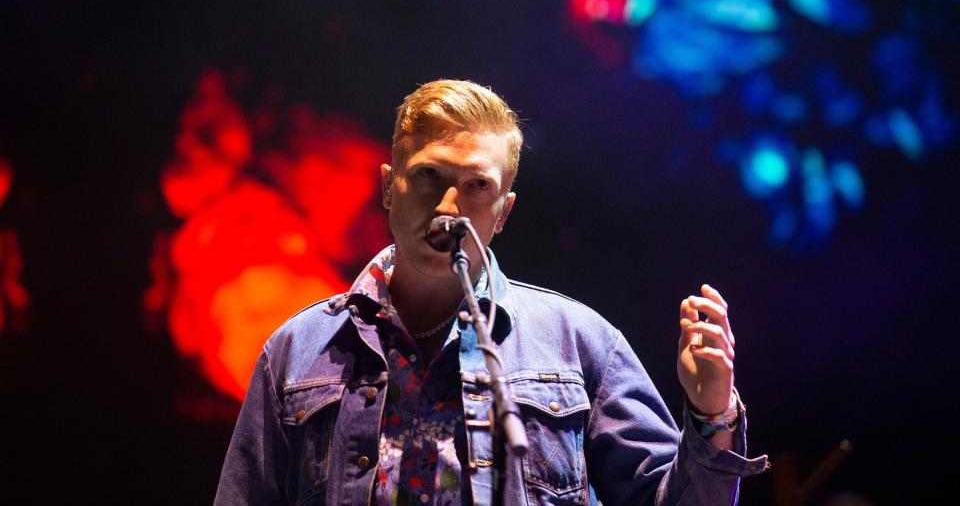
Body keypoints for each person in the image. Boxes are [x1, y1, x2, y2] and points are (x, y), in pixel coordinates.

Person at [214, 79, 768, 506]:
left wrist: (710, 415)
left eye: (477, 185)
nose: (450, 206)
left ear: (503, 213)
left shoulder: (578, 342)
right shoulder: (296, 351)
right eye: (429, 176)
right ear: (388, 186)